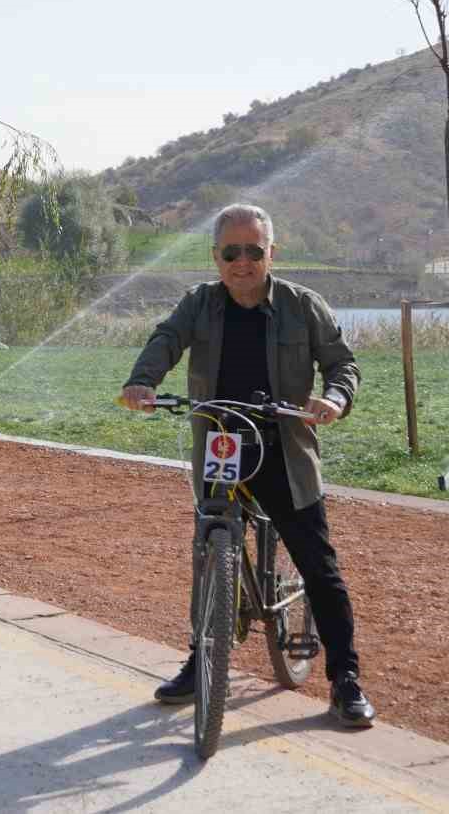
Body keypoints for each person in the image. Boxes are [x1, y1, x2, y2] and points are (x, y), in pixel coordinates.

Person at [119, 203, 374, 727]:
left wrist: (334, 399)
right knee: (208, 552)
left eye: (253, 251)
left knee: (318, 565)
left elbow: (342, 363)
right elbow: (166, 339)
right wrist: (142, 381)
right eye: (231, 252)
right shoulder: (198, 303)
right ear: (215, 256)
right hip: (221, 447)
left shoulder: (303, 305)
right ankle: (202, 660)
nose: (242, 262)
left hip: (284, 448)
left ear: (271, 253)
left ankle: (345, 680)